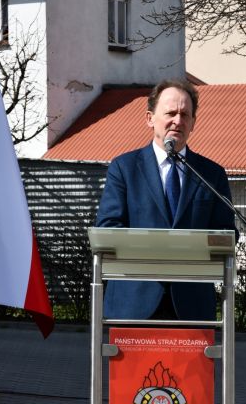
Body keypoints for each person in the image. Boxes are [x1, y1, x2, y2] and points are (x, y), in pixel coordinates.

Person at [95, 78, 237, 321]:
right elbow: (109, 228)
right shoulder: (124, 168)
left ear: (193, 122)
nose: (178, 121)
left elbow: (226, 234)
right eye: (171, 113)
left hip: (191, 305)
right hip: (134, 303)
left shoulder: (211, 174)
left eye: (185, 115)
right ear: (150, 118)